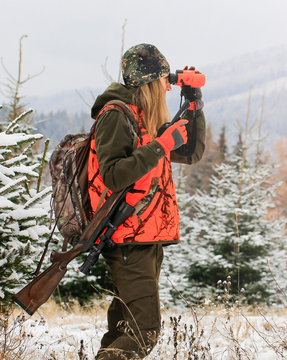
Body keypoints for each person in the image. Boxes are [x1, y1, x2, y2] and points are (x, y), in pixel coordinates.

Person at [88, 43, 206, 359]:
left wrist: (194, 102)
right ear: (149, 81)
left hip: (146, 236)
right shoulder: (116, 116)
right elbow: (113, 175)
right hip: (126, 238)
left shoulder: (145, 119)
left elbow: (191, 152)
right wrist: (160, 146)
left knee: (124, 328)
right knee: (143, 331)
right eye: (165, 79)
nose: (170, 85)